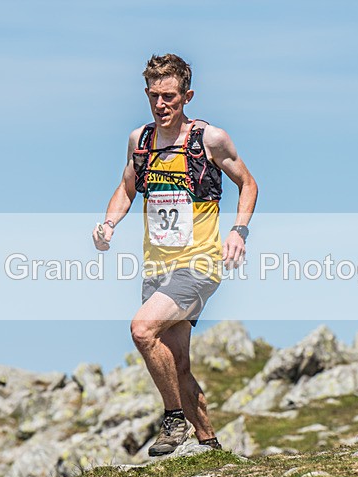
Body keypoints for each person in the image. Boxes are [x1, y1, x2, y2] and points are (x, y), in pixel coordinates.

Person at [92, 54, 258, 456]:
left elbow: (248, 184)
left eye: (169, 96)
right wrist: (109, 224)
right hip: (157, 266)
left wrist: (238, 231)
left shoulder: (209, 139)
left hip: (199, 264)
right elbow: (127, 187)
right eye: (154, 96)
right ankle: (210, 445)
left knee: (142, 330)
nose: (160, 104)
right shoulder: (141, 141)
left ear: (187, 96)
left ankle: (172, 419)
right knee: (176, 362)